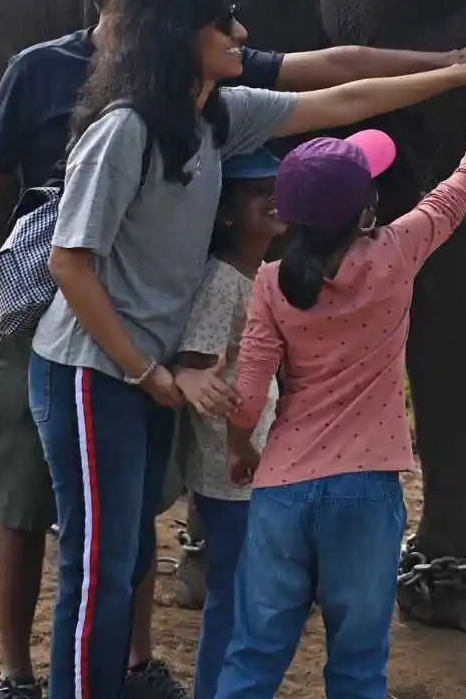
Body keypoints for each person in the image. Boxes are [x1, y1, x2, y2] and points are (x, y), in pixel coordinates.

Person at [0, 0, 466, 699]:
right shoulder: (126, 130)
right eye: (223, 21)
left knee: (129, 555)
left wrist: (462, 73)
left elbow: (341, 95)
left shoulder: (215, 114)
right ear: (178, 33)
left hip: (140, 372)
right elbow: (71, 263)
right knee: (99, 564)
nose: (242, 32)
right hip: (91, 371)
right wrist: (146, 372)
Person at [193, 44, 466, 699]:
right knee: (357, 667)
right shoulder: (398, 252)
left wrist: (244, 451)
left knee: (252, 656)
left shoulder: (270, 283)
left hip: (282, 496)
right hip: (365, 498)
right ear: (364, 210)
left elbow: (246, 403)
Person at [168, 146, 285, 699]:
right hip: (227, 469)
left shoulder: (258, 274)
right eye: (258, 191)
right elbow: (195, 366)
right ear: (228, 212)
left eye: (277, 187)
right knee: (234, 595)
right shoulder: (223, 281)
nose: (273, 198)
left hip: (249, 461)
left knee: (244, 592)